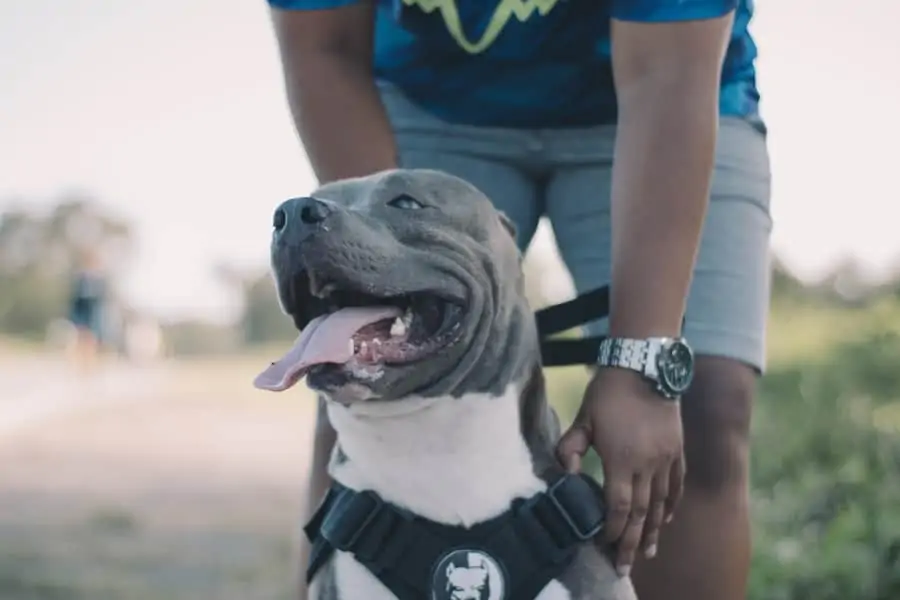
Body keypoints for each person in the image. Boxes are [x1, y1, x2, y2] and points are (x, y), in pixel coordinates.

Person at [267, 1, 771, 599]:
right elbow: (324, 44)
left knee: (701, 398)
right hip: (431, 96)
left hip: (660, 88)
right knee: (358, 392)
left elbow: (667, 72)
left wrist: (643, 362)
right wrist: (386, 262)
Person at [67, 248, 108, 374]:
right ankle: (79, 366)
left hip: (93, 316)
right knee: (80, 340)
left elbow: (101, 301)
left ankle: (88, 367)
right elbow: (74, 299)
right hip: (81, 314)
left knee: (90, 342)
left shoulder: (100, 280)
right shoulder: (80, 278)